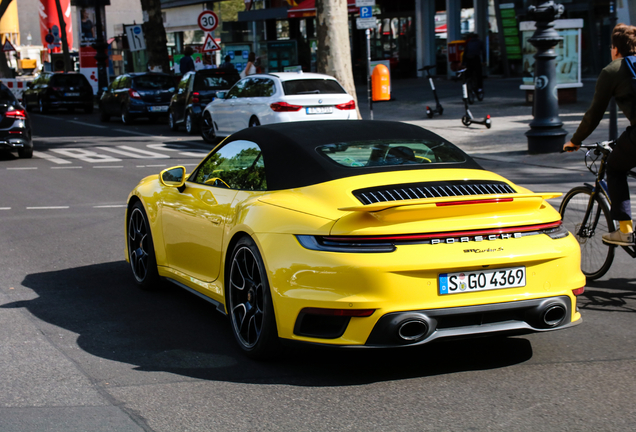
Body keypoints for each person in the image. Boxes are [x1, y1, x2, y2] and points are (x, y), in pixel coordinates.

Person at [564, 23, 636, 246]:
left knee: (614, 168)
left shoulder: (613, 70)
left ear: (615, 49)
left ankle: (625, 231)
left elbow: (594, 114)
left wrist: (575, 140)